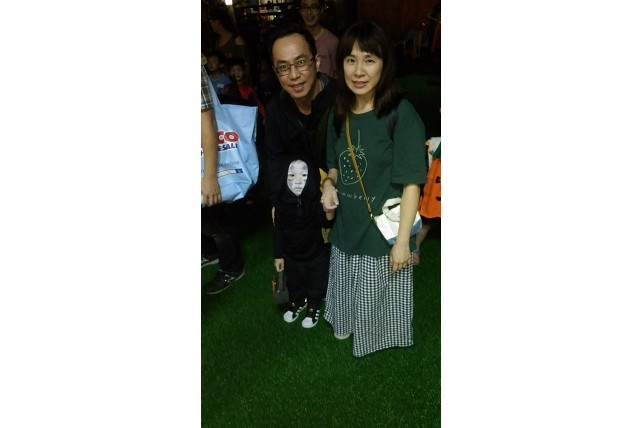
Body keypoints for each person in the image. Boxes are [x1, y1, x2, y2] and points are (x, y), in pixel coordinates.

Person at [321, 21, 427, 357]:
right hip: (346, 226)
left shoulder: (400, 114)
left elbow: (412, 182)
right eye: (350, 60)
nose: (358, 71)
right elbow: (333, 166)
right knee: (347, 284)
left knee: (378, 292)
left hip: (382, 233)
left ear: (385, 63)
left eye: (369, 60)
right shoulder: (338, 112)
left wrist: (403, 242)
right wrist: (328, 185)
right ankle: (347, 323)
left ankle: (376, 335)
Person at [265, 24, 338, 318]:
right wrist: (276, 202)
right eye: (283, 68)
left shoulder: (340, 99)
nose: (294, 75)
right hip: (301, 201)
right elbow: (274, 160)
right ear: (275, 72)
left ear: (316, 62)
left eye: (300, 63)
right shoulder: (277, 109)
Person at [273, 158, 335, 327]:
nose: (298, 181)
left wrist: (329, 212)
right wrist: (279, 255)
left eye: (304, 175)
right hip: (291, 254)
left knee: (315, 280)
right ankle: (298, 301)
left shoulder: (314, 201)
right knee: (294, 281)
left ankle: (314, 305)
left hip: (314, 253)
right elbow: (278, 230)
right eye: (292, 175)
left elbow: (325, 224)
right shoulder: (281, 203)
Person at [201, 65, 245, 294]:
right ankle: (209, 251)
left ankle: (231, 267)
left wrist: (210, 176)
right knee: (204, 214)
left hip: (205, 156)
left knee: (213, 212)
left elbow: (207, 120)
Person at [298, 0, 339, 78]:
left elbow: (338, 74)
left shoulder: (332, 41)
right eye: (305, 7)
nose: (309, 12)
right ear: (300, 10)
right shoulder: (296, 39)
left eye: (314, 7)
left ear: (321, 10)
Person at [209, 8, 251, 76]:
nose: (211, 23)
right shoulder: (216, 42)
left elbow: (246, 65)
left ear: (218, 21)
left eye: (212, 20)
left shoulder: (237, 40)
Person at [227, 56, 266, 120]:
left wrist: (264, 116)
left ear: (244, 71)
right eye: (233, 70)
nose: (236, 73)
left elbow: (258, 104)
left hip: (246, 118)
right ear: (229, 72)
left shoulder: (249, 89)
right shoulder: (227, 88)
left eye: (239, 70)